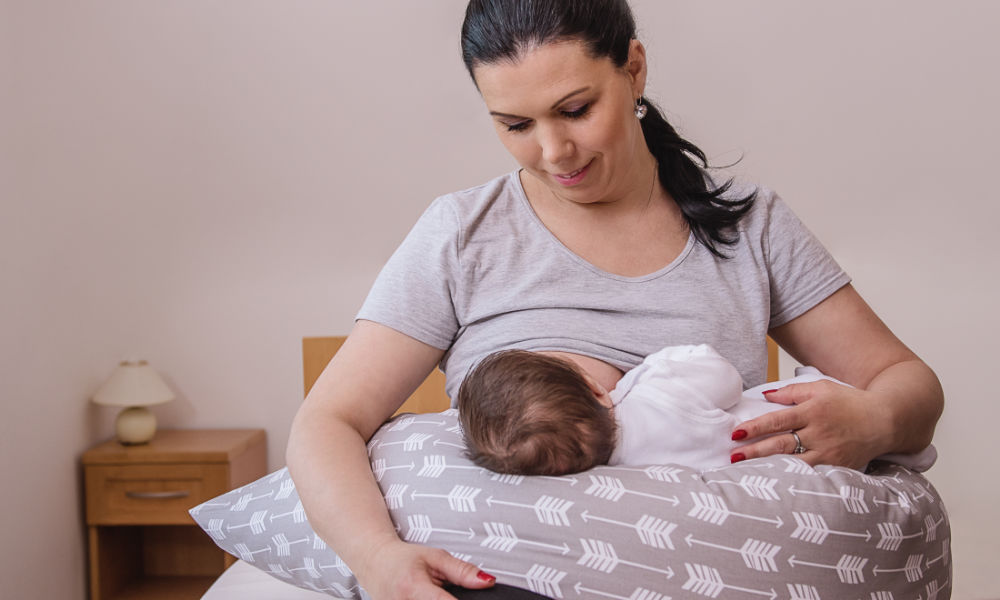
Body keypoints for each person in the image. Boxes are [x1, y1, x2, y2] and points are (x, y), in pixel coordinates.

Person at [285, 1, 944, 599]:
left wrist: (875, 422)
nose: (553, 152)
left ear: (633, 68)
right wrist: (377, 558)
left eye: (575, 110)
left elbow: (908, 382)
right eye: (515, 124)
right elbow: (327, 421)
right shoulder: (460, 235)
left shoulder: (753, 228)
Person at [457, 345, 937, 475]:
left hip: (799, 447)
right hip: (798, 415)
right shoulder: (659, 390)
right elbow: (722, 377)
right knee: (804, 389)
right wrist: (656, 364)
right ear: (595, 388)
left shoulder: (630, 470)